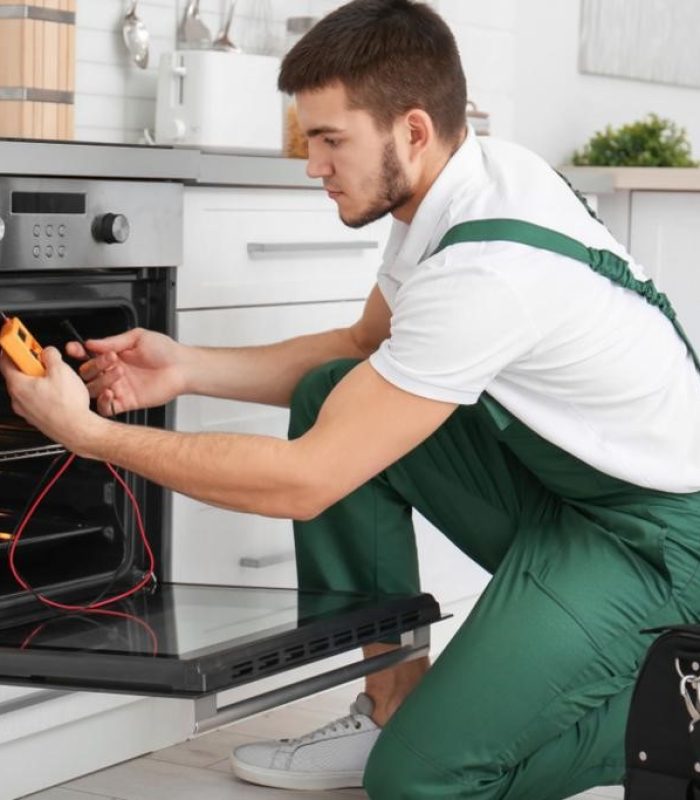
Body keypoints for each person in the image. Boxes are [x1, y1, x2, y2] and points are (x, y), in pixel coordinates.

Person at [3, 0, 700, 797]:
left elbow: (308, 481)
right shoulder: (458, 185)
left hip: (654, 543)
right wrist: (186, 367)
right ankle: (386, 705)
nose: (312, 164)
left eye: (331, 140)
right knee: (333, 391)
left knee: (418, 781)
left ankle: (680, 715)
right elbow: (362, 348)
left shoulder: (488, 271)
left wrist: (89, 435)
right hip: (563, 495)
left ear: (410, 130)